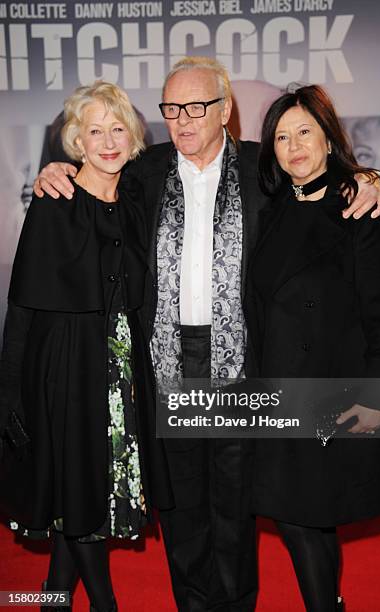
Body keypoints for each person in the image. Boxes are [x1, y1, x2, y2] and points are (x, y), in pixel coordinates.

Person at [32, 59, 380, 611]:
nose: (182, 120)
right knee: (182, 509)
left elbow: (322, 181)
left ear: (225, 111)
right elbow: (92, 184)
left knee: (234, 505)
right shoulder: (143, 172)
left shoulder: (262, 171)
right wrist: (56, 171)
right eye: (171, 109)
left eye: (196, 107)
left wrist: (374, 179)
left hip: (241, 363)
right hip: (168, 361)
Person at [0, 81, 173, 612]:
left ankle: (53, 596)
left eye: (117, 128)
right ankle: (104, 604)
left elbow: (206, 150)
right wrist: (9, 393)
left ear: (134, 136)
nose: (107, 140)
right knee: (79, 488)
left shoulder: (140, 197)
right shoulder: (54, 201)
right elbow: (23, 304)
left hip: (122, 368)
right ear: (75, 139)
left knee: (90, 489)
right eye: (93, 129)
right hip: (64, 369)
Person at [244, 85, 380, 611]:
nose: (294, 146)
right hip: (279, 393)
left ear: (329, 139)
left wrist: (376, 404)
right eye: (282, 137)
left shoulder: (362, 209)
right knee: (300, 514)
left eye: (305, 132)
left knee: (306, 513)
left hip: (339, 394)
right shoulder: (272, 210)